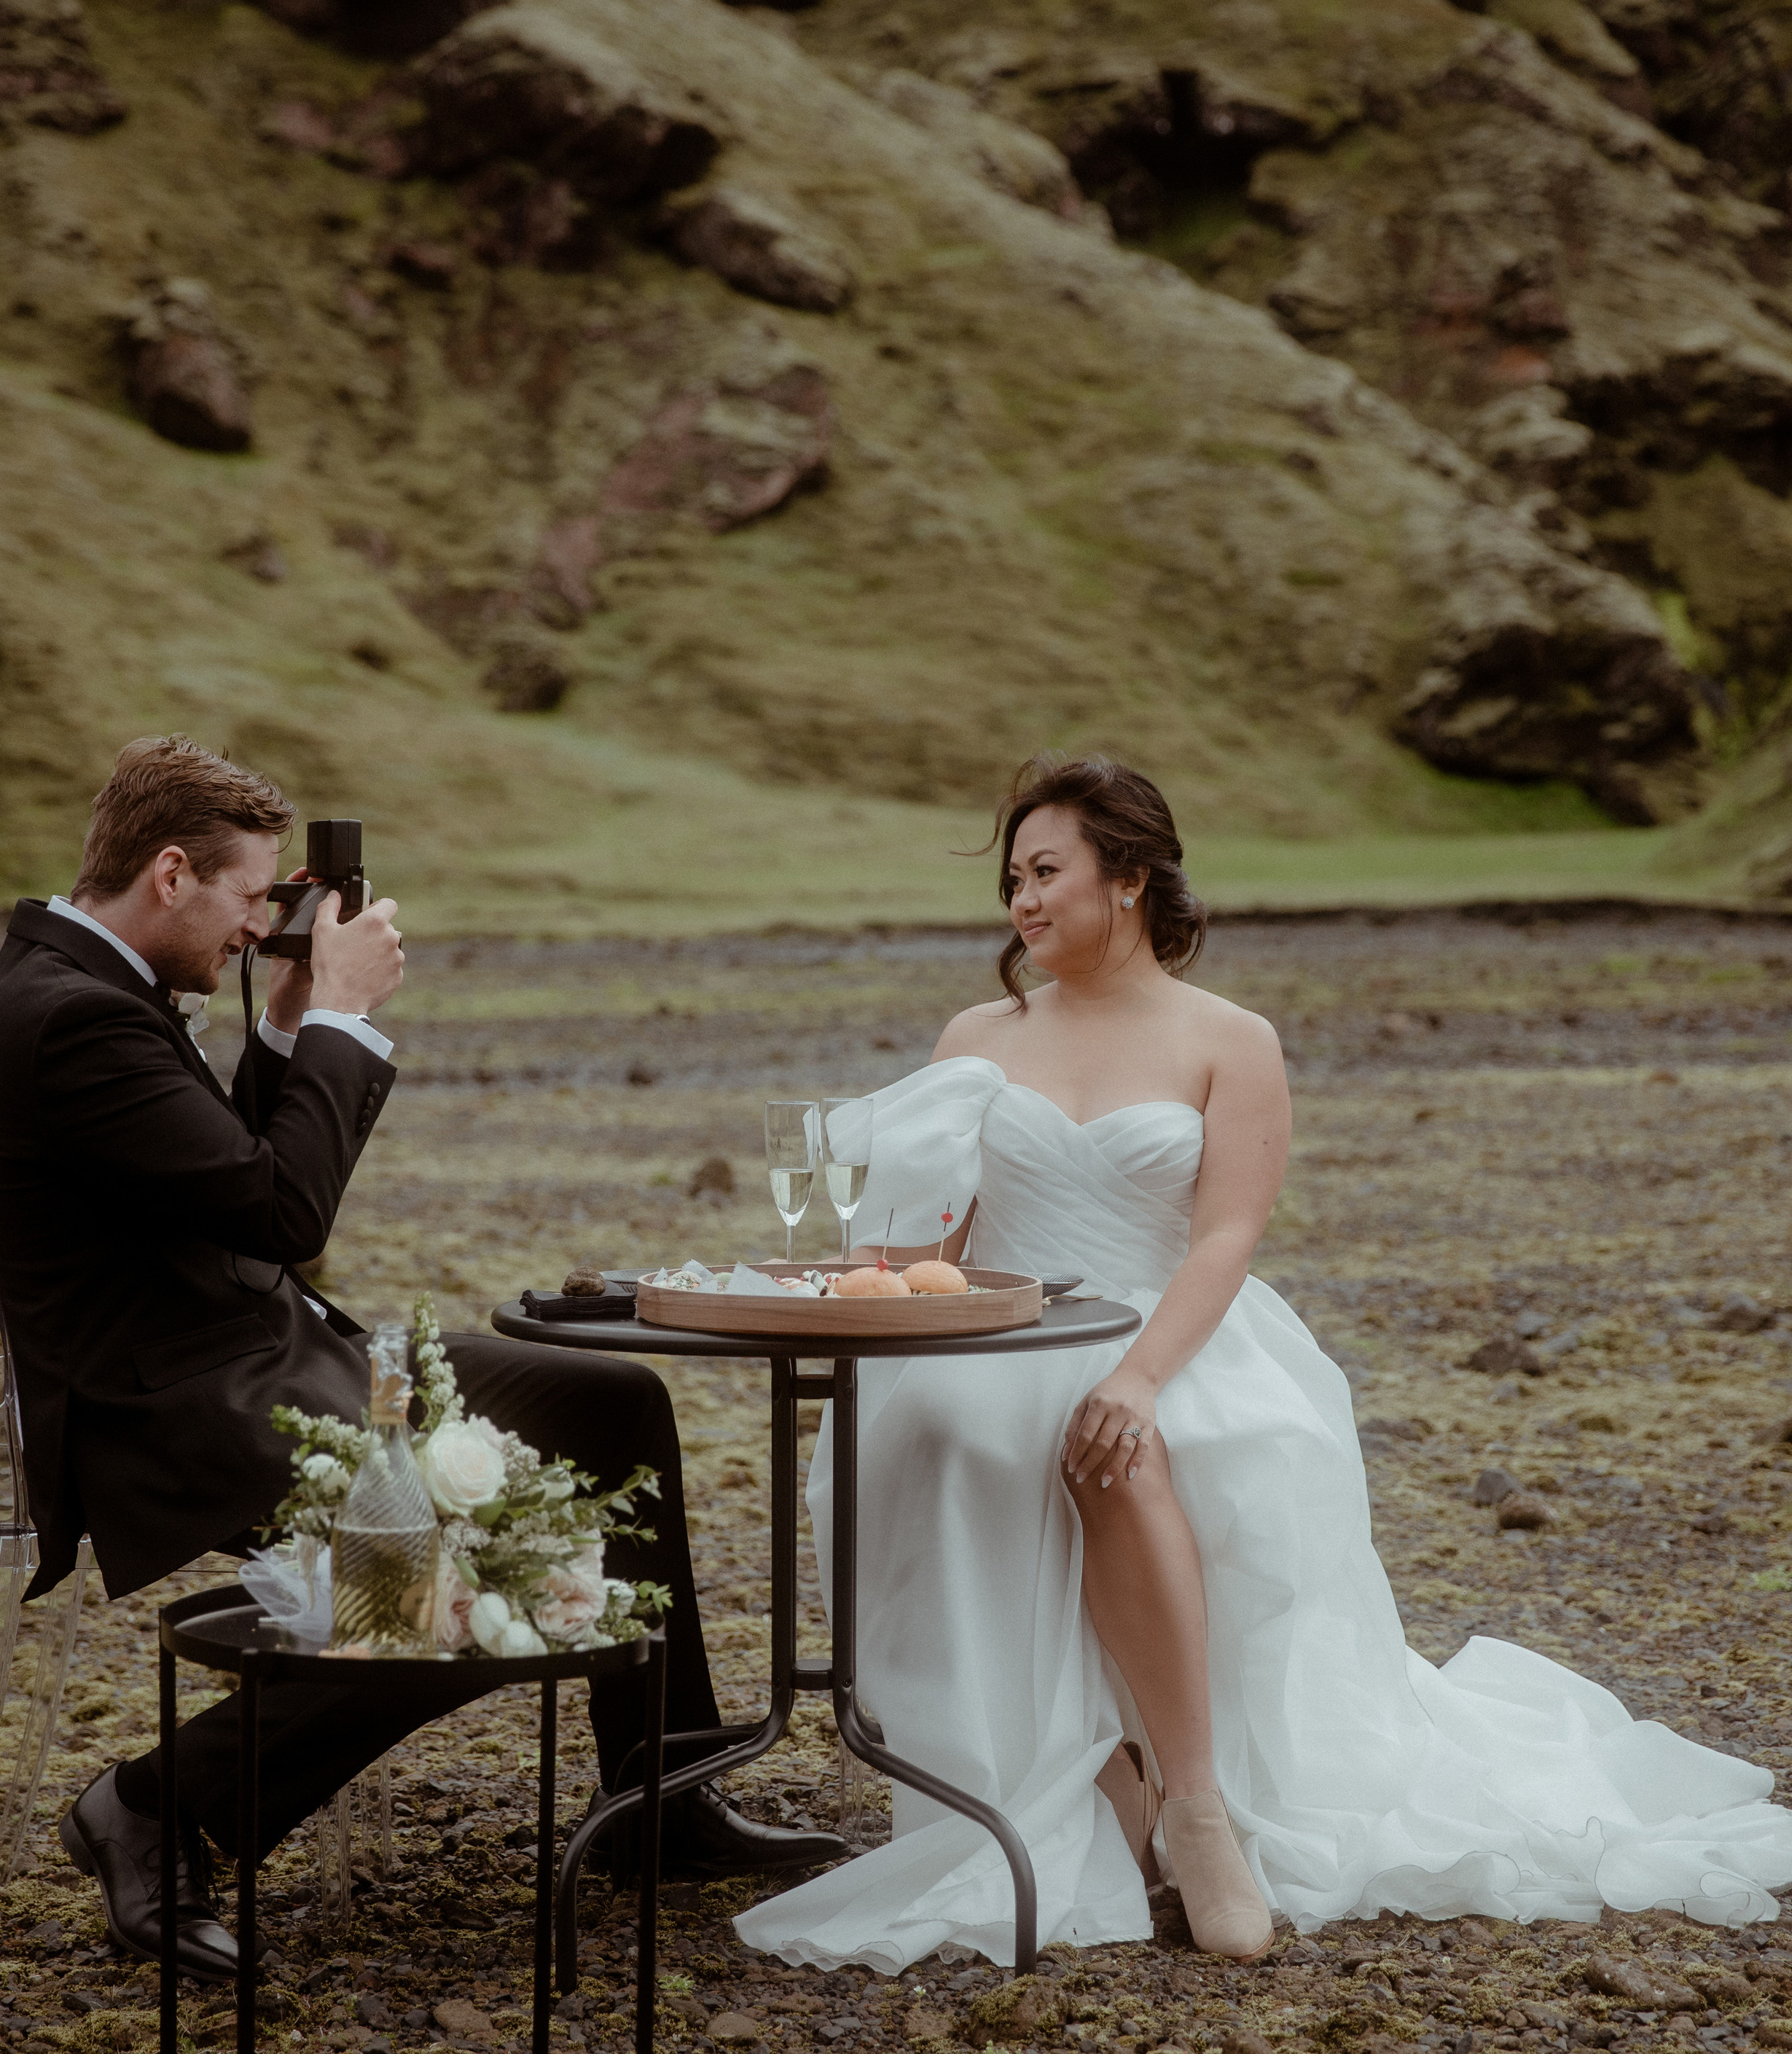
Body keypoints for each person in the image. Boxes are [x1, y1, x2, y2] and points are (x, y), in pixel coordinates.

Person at [737, 753, 1792, 1975]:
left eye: (1046, 872)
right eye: (1013, 879)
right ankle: (1084, 1779)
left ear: (1126, 877)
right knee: (946, 1436)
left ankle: (1195, 1806)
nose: (1021, 902)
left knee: (1121, 1446)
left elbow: (1227, 1236)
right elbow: (937, 1247)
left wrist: (1135, 1374)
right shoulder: (977, 1035)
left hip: (1168, 1328)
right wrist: (878, 1245)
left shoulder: (1230, 1040)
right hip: (1005, 1328)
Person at [0, 736, 841, 1982]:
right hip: (177, 1411)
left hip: (276, 1356)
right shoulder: (70, 1019)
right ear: (168, 873)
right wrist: (348, 1020)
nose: (265, 924)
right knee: (454, 1601)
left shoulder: (95, 986)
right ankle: (158, 1804)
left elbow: (220, 1181)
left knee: (613, 1401)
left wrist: (285, 1026)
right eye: (253, 898)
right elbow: (282, 1217)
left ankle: (662, 1792)